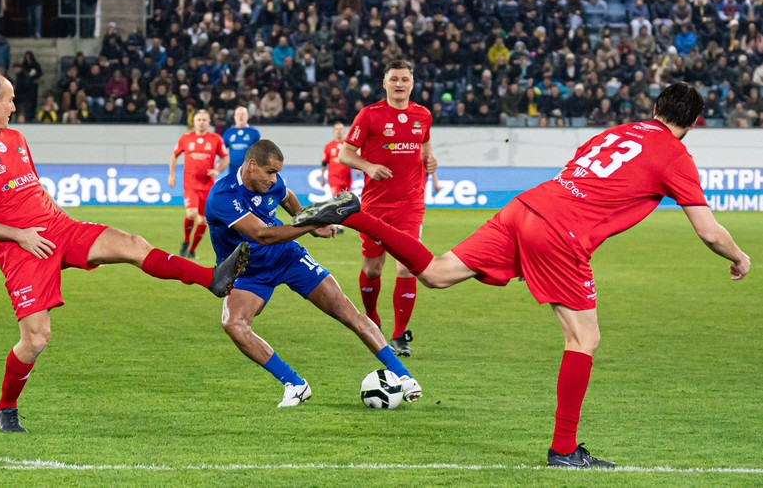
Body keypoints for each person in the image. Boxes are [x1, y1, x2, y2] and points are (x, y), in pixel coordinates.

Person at [295, 82, 751, 468]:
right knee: (583, 340)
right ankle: (565, 449)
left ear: (654, 109)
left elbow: (575, 169)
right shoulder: (674, 153)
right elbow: (709, 231)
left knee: (435, 273)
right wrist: (739, 257)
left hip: (527, 206)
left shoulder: (617, 131)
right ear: (693, 123)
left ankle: (355, 214)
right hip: (562, 232)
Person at [0, 72, 249, 433]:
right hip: (22, 250)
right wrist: (21, 236)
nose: (14, 106)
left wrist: (59, 217)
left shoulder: (16, 137)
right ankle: (5, 407)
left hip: (59, 229)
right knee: (37, 339)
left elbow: (31, 186)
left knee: (133, 244)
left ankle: (212, 278)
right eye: (10, 99)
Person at [205, 139, 422, 407]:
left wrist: (305, 216)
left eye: (277, 173)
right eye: (270, 172)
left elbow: (287, 198)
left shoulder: (274, 183)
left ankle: (404, 376)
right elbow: (262, 234)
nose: (275, 179)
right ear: (252, 166)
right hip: (248, 272)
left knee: (347, 312)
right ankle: (295, 384)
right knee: (233, 323)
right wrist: (312, 222)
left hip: (287, 257)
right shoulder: (223, 196)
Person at [338, 59, 436, 357]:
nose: (399, 84)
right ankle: (372, 320)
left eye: (404, 79)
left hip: (410, 205)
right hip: (375, 205)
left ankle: (400, 336)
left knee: (407, 266)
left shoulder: (423, 115)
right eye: (394, 79)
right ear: (385, 83)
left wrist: (430, 162)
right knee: (373, 267)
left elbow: (425, 150)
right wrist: (368, 165)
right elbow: (345, 154)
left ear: (412, 83)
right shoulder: (370, 115)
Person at [168, 109, 229, 258]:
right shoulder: (185, 138)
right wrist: (171, 174)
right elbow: (174, 155)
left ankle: (192, 250)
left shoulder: (215, 139)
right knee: (191, 213)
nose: (201, 122)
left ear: (209, 122)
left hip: (207, 185)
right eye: (199, 120)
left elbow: (226, 158)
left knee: (203, 220)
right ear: (194, 122)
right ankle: (185, 240)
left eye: (204, 120)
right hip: (190, 183)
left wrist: (217, 170)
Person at [222, 106, 261, 176]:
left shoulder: (254, 132)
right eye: (238, 114)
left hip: (250, 171)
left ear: (247, 116)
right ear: (234, 117)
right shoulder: (229, 132)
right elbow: (221, 148)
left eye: (243, 114)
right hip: (232, 170)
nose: (240, 116)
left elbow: (259, 151)